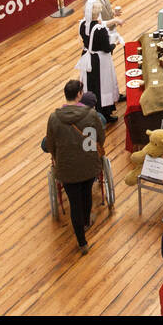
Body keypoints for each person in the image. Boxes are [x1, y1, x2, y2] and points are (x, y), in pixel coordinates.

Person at [44, 79, 106, 254]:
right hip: (88, 165)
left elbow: (50, 144)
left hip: (67, 168)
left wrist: (58, 157)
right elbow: (101, 138)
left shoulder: (54, 118)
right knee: (86, 194)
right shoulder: (91, 115)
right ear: (79, 94)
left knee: (74, 203)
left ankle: (81, 242)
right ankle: (86, 221)